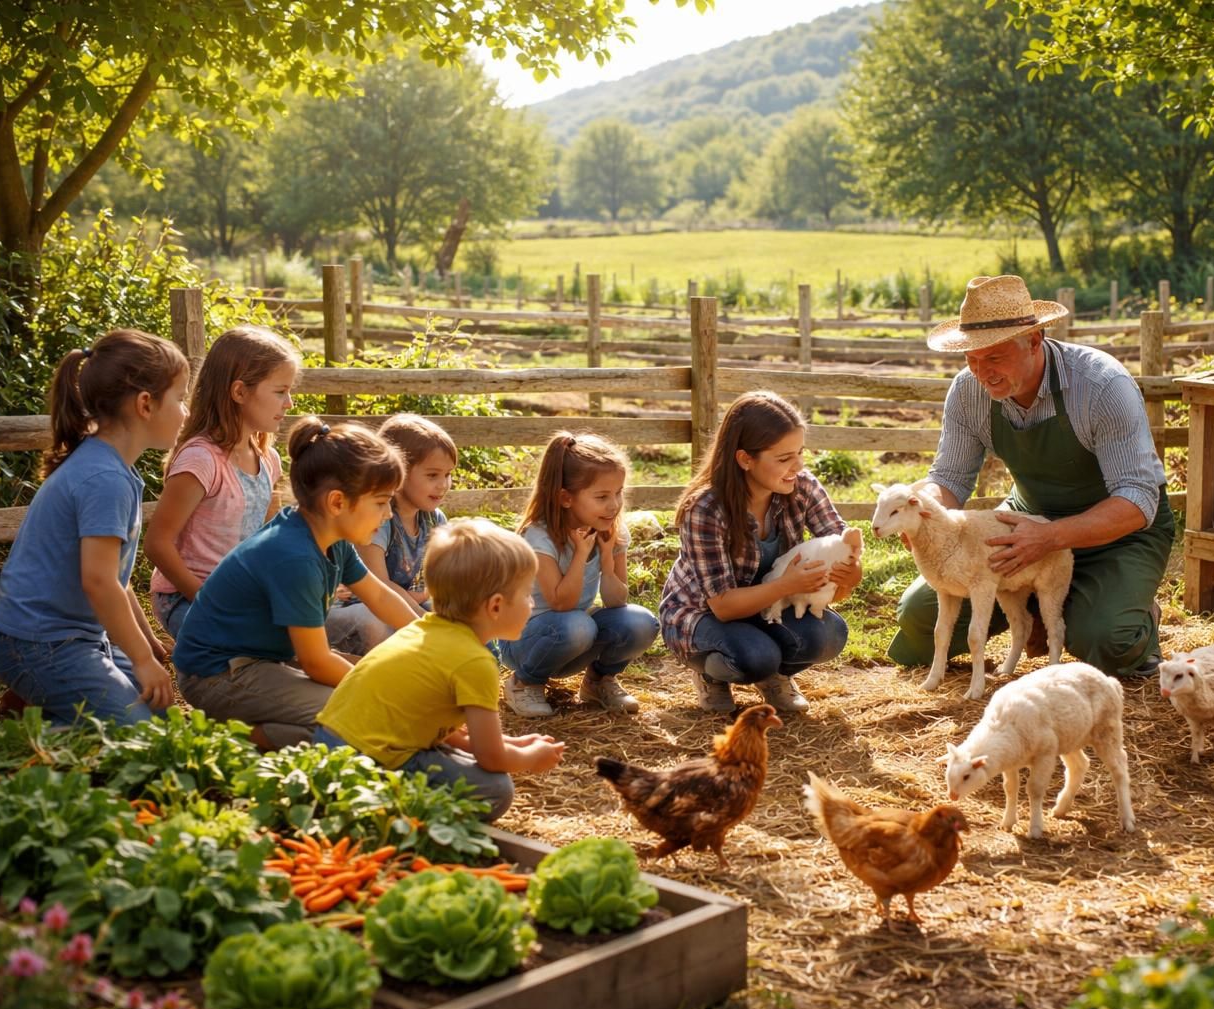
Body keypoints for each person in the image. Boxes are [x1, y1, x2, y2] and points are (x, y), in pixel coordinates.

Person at [887, 275, 1174, 679]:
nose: (982, 373)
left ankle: (1123, 609)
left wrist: (1051, 537)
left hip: (1118, 534)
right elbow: (949, 477)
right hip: (1025, 523)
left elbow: (1138, 499)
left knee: (1106, 638)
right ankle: (1040, 602)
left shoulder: (1101, 385)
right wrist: (928, 513)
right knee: (919, 614)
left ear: (1034, 340)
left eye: (994, 357)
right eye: (971, 359)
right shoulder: (968, 391)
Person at [171, 419, 419, 749]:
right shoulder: (294, 556)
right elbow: (316, 661)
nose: (388, 514)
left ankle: (262, 723)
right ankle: (227, 738)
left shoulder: (331, 538)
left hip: (263, 662)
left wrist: (427, 634)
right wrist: (379, 695)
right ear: (337, 502)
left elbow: (379, 596)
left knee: (370, 684)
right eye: (381, 502)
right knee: (356, 715)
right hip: (217, 674)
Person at [0, 330, 189, 724]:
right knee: (138, 735)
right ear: (145, 404)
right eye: (180, 398)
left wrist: (146, 642)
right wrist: (141, 660)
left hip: (77, 639)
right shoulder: (104, 479)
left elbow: (115, 576)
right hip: (37, 643)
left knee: (164, 720)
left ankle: (43, 704)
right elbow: (98, 582)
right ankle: (39, 723)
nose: (185, 411)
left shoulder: (112, 467)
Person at [313, 520, 565, 820]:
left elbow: (431, 721)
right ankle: (387, 814)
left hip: (327, 748)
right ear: (496, 606)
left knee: (456, 758)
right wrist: (529, 758)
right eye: (527, 594)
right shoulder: (475, 661)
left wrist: (512, 743)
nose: (532, 603)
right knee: (495, 789)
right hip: (363, 768)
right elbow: (491, 756)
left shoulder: (422, 629)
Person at [659, 391, 862, 713]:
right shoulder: (705, 508)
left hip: (769, 606)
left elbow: (842, 544)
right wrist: (787, 585)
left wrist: (850, 572)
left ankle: (775, 676)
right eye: (784, 458)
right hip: (703, 615)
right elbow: (723, 606)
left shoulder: (803, 487)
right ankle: (711, 673)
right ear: (745, 459)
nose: (798, 465)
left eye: (800, 453)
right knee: (754, 658)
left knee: (830, 635)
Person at [145, 326, 300, 639]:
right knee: (269, 644)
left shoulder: (268, 459)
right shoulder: (201, 459)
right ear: (239, 392)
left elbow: (269, 538)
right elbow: (157, 544)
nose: (290, 403)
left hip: (240, 597)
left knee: (311, 629)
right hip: (185, 599)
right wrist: (210, 602)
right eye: (280, 392)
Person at [497, 432, 658, 717]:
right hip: (523, 639)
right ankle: (524, 683)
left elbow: (616, 601)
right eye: (602, 496)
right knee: (578, 625)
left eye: (618, 492)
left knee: (641, 622)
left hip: (573, 634)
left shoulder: (611, 529)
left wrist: (607, 557)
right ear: (566, 498)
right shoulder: (539, 536)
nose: (614, 505)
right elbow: (562, 603)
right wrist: (581, 555)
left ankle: (598, 682)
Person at [325, 413, 456, 653]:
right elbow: (379, 586)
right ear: (399, 471)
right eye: (432, 475)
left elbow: (440, 579)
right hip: (359, 608)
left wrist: (427, 604)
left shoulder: (434, 519)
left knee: (456, 619)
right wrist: (423, 623)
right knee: (376, 622)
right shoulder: (379, 520)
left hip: (403, 603)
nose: (443, 484)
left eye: (447, 475)